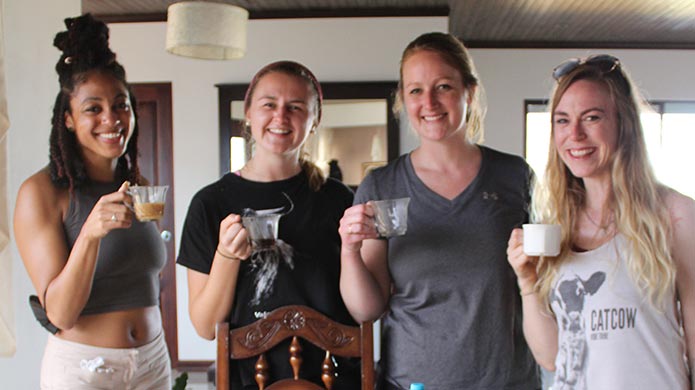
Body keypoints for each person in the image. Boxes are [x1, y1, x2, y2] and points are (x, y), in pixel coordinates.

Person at [339, 32, 539, 390]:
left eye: (443, 86)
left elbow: (543, 280)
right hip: (414, 383)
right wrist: (349, 250)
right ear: (403, 99)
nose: (429, 102)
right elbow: (366, 310)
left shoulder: (514, 175)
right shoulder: (381, 186)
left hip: (508, 382)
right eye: (415, 90)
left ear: (469, 92)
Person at [507, 55, 695, 389]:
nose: (574, 134)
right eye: (562, 121)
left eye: (591, 117)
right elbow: (551, 357)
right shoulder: (555, 226)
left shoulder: (675, 215)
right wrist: (527, 282)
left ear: (624, 123)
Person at [177, 61, 360, 389]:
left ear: (314, 120)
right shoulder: (209, 204)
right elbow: (206, 326)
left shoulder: (338, 199)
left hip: (332, 379)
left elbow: (361, 306)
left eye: (295, 107)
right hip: (248, 380)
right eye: (269, 105)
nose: (281, 117)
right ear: (248, 113)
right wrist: (227, 255)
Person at [13, 14, 170, 389]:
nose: (111, 119)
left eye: (121, 105)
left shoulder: (137, 186)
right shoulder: (41, 193)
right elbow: (62, 314)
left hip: (152, 362)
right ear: (68, 119)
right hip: (84, 370)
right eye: (93, 108)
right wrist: (90, 234)